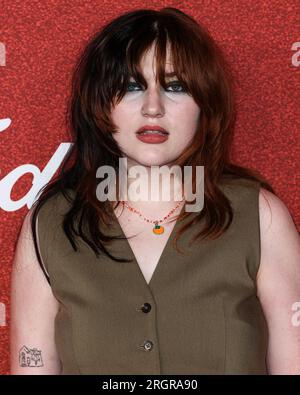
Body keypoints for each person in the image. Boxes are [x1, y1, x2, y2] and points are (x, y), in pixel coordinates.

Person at [10, 7, 300, 375]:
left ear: (204, 103)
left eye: (175, 86)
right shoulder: (51, 224)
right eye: (131, 86)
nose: (153, 107)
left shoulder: (260, 216)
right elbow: (31, 365)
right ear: (100, 102)